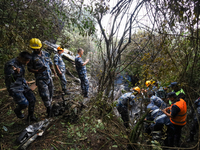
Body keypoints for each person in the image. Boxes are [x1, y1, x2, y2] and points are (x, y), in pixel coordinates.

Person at [28, 38, 58, 117]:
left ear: (40, 47)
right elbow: (29, 68)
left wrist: (55, 73)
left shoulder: (46, 54)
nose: (36, 50)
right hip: (40, 80)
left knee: (51, 94)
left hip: (49, 78)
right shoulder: (31, 57)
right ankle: (49, 111)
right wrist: (38, 71)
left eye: (37, 49)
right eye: (34, 49)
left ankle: (50, 107)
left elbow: (51, 64)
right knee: (45, 95)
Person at [4, 51, 37, 121]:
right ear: (19, 58)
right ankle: (17, 110)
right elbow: (10, 79)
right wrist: (15, 73)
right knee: (24, 103)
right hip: (14, 87)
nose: (26, 63)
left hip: (23, 85)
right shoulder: (11, 65)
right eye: (25, 61)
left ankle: (30, 117)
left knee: (32, 99)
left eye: (28, 61)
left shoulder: (22, 63)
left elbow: (21, 75)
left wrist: (24, 81)